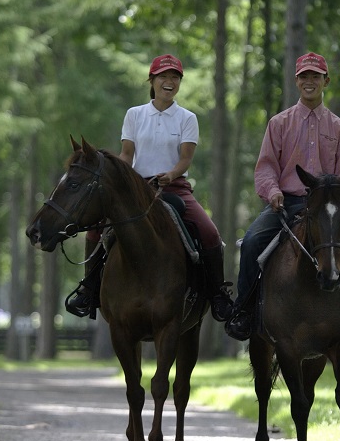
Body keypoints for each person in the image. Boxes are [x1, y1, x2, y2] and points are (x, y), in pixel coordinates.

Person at [219, 52, 340, 341]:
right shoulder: (279, 123)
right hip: (287, 203)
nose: (309, 81)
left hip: (328, 208)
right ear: (296, 81)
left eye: (316, 76)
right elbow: (265, 168)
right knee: (251, 243)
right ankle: (244, 312)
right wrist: (273, 192)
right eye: (304, 76)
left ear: (326, 81)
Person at [65, 53, 232, 321]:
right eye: (163, 76)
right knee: (97, 229)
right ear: (152, 80)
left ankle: (217, 295)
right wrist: (117, 178)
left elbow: (186, 158)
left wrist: (171, 174)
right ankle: (89, 289)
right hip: (137, 189)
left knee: (210, 233)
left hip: (174, 188)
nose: (169, 81)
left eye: (175, 77)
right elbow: (127, 155)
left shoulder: (187, 118)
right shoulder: (134, 115)